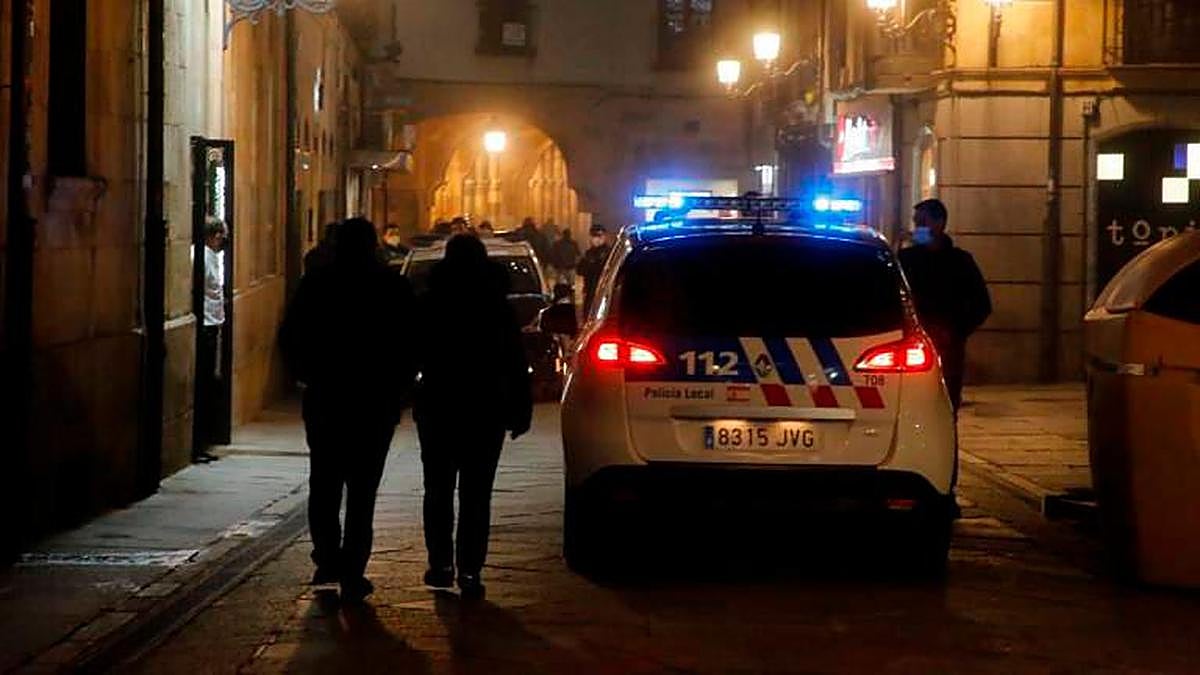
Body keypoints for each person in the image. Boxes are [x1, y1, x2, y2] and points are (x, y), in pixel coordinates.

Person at [279, 217, 418, 603]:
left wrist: (306, 374)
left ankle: (326, 557)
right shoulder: (392, 285)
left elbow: (289, 337)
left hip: (327, 397)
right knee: (362, 493)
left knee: (324, 482)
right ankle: (353, 569)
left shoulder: (317, 284)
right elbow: (410, 341)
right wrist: (400, 388)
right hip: (374, 402)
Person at [416, 234, 532, 600]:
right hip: (486, 408)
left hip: (439, 405)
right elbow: (515, 361)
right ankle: (470, 568)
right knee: (476, 493)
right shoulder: (497, 306)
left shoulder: (431, 302)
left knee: (437, 489)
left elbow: (414, 353)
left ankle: (440, 563)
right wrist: (520, 408)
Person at [898, 198, 992, 412]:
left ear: (939, 224)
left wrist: (956, 331)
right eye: (916, 222)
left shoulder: (961, 262)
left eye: (922, 222)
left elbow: (981, 304)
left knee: (947, 407)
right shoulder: (906, 260)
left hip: (948, 348)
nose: (918, 228)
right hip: (911, 347)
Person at [195, 217, 228, 463]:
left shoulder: (210, 257)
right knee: (204, 383)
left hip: (211, 323)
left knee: (209, 382)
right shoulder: (202, 257)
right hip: (206, 325)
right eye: (220, 237)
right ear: (213, 235)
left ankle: (203, 440)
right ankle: (200, 441)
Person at [576, 223, 612, 315]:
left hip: (604, 293)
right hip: (590, 291)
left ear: (604, 237)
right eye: (594, 236)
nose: (597, 239)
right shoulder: (589, 254)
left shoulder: (609, 253)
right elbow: (580, 270)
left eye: (600, 236)